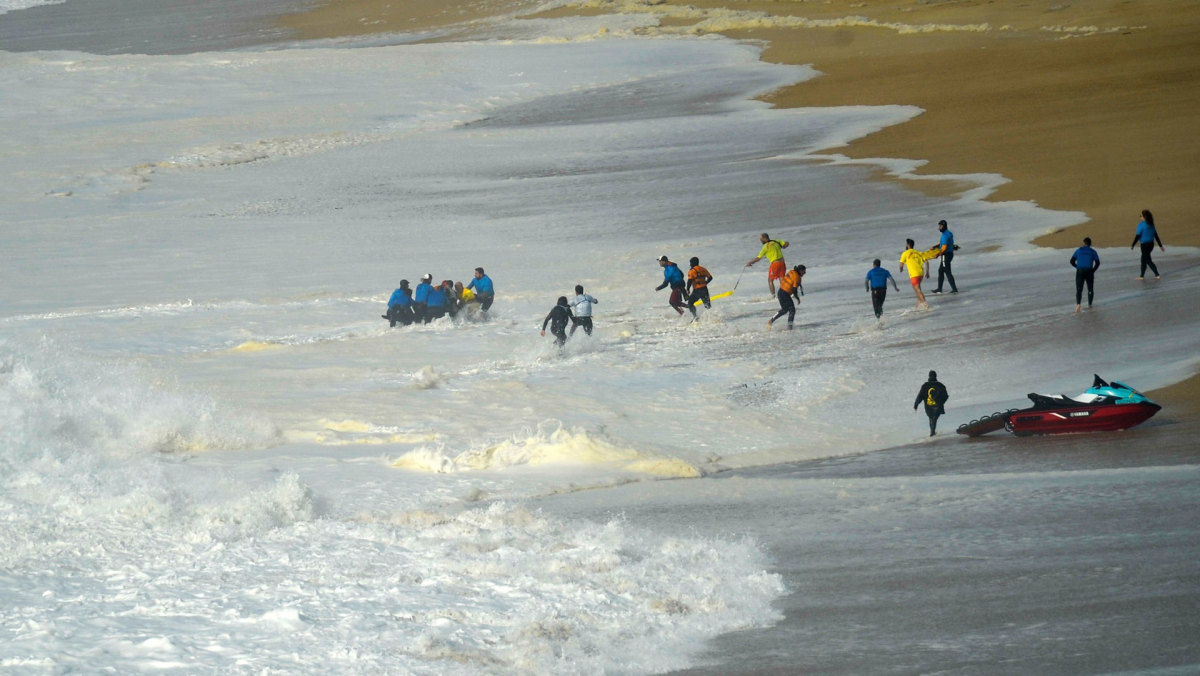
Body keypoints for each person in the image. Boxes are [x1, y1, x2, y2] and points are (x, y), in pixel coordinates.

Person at [899, 239, 936, 309]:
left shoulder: (905, 253)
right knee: (917, 288)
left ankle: (925, 304)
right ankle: (919, 304)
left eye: (906, 244)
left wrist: (901, 269)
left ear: (908, 245)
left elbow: (901, 265)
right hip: (921, 273)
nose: (905, 245)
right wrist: (927, 272)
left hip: (914, 274)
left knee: (917, 289)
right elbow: (926, 262)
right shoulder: (918, 252)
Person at [1129, 209, 1164, 280]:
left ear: (1144, 217)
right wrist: (1160, 246)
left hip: (1144, 245)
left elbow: (1138, 236)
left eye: (1141, 216)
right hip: (1151, 245)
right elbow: (1156, 236)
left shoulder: (1141, 225)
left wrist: (1133, 245)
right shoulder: (1151, 224)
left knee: (1147, 260)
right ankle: (1142, 276)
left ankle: (1157, 274)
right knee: (1143, 259)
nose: (1140, 217)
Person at [768, 264, 805, 329]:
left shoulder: (791, 271)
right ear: (800, 271)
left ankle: (771, 321)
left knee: (785, 309)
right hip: (785, 293)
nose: (805, 273)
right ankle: (789, 327)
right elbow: (794, 290)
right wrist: (797, 298)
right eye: (804, 271)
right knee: (792, 309)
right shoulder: (797, 277)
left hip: (780, 292)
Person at [1070, 236, 1101, 313]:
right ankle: (1090, 305)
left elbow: (1071, 261)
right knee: (1090, 289)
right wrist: (1093, 270)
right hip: (1089, 271)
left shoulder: (1079, 250)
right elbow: (1098, 263)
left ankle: (1078, 304)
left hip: (1080, 271)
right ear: (1090, 244)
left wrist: (1077, 267)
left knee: (1079, 289)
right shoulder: (1093, 251)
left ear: (1084, 243)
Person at [914, 370, 949, 436]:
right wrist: (942, 402)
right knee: (934, 418)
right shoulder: (940, 385)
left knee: (931, 418)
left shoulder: (925, 386)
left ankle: (932, 432)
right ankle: (932, 432)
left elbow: (920, 396)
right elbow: (946, 396)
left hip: (928, 406)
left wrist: (916, 405)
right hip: (938, 406)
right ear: (936, 376)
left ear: (929, 376)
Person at [930, 219, 959, 294]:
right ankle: (939, 288)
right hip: (949, 254)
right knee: (941, 271)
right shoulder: (948, 233)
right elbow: (942, 244)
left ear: (944, 226)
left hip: (945, 255)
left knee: (947, 271)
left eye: (940, 226)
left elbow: (944, 248)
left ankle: (954, 289)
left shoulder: (945, 235)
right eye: (939, 226)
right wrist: (935, 246)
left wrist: (937, 254)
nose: (939, 227)